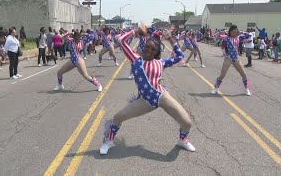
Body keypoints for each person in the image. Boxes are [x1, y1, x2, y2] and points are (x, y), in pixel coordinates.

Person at [99, 24, 196, 155]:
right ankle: (109, 141)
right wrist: (137, 30)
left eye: (153, 49)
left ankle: (183, 139)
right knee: (117, 117)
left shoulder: (161, 62)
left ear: (156, 52)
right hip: (145, 101)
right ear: (144, 47)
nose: (149, 50)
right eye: (147, 47)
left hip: (163, 97)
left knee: (187, 122)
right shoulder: (135, 59)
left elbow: (179, 56)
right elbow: (121, 40)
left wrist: (171, 39)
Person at [211, 25, 251, 96]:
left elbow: (249, 35)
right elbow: (215, 35)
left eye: (236, 32)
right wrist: (222, 31)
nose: (234, 33)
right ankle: (215, 88)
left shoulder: (239, 37)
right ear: (230, 32)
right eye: (233, 32)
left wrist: (241, 32)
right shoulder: (226, 38)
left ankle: (247, 89)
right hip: (228, 58)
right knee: (222, 75)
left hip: (236, 58)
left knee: (244, 74)